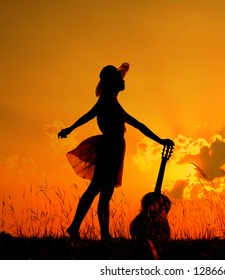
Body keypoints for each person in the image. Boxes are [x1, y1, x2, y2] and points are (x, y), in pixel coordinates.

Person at [58, 63, 174, 240]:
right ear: (112, 82)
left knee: (102, 191)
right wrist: (69, 128)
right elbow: (88, 115)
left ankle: (89, 230)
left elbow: (138, 125)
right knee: (98, 190)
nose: (124, 81)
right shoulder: (106, 100)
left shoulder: (112, 100)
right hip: (110, 147)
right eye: (120, 78)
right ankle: (87, 230)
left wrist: (160, 140)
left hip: (115, 147)